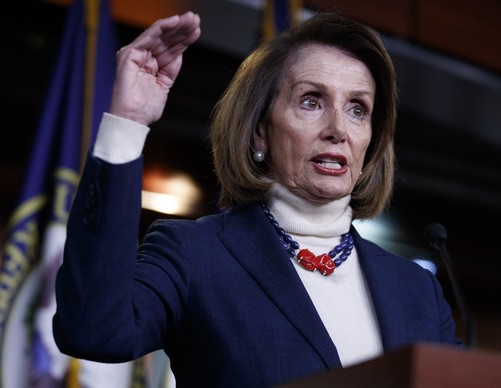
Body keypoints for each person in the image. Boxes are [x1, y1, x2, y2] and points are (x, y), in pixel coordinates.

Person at [53, 10, 462, 387]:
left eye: (358, 109)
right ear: (259, 133)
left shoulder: (417, 290)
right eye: (311, 101)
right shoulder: (196, 255)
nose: (338, 128)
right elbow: (93, 329)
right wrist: (127, 121)